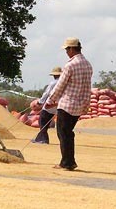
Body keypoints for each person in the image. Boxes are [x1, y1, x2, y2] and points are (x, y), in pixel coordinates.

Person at [45, 37, 93, 171]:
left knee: (63, 133)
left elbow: (60, 85)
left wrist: (50, 100)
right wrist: (86, 104)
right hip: (79, 105)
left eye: (67, 49)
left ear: (72, 49)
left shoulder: (70, 65)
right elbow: (87, 87)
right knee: (68, 132)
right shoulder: (88, 65)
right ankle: (69, 161)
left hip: (67, 104)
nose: (66, 52)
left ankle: (67, 162)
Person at [31, 66, 62, 144]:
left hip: (49, 105)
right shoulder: (63, 83)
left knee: (42, 121)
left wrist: (40, 102)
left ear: (54, 75)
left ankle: (44, 139)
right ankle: (39, 139)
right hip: (57, 106)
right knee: (46, 122)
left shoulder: (53, 83)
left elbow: (46, 93)